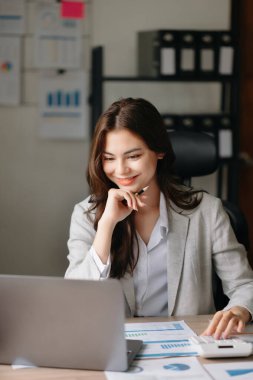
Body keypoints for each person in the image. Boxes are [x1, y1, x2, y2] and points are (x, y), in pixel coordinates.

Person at [65, 97, 253, 339]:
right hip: (114, 344)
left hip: (188, 345)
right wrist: (106, 226)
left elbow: (244, 285)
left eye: (133, 156)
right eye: (109, 158)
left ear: (159, 151)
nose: (120, 170)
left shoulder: (207, 211)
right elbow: (76, 298)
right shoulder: (85, 214)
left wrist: (239, 310)